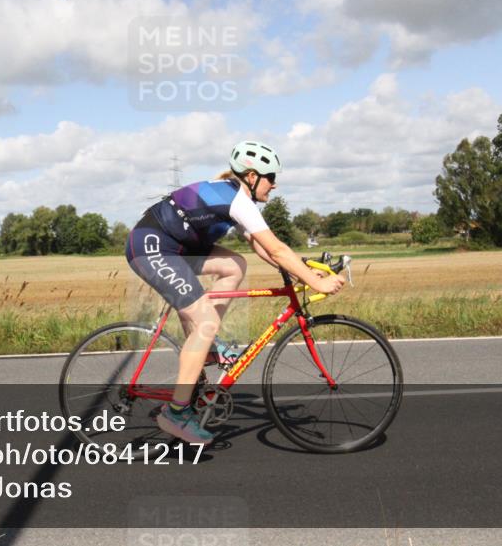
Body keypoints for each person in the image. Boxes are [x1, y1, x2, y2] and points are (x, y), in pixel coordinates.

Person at [125, 141, 345, 444]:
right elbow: (277, 249)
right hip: (152, 248)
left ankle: (209, 345)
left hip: (176, 248)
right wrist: (316, 282)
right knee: (205, 322)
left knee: (234, 265)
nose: (275, 185)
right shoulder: (236, 200)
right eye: (271, 177)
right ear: (252, 176)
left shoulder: (235, 196)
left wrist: (303, 272)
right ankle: (176, 412)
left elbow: (263, 248)